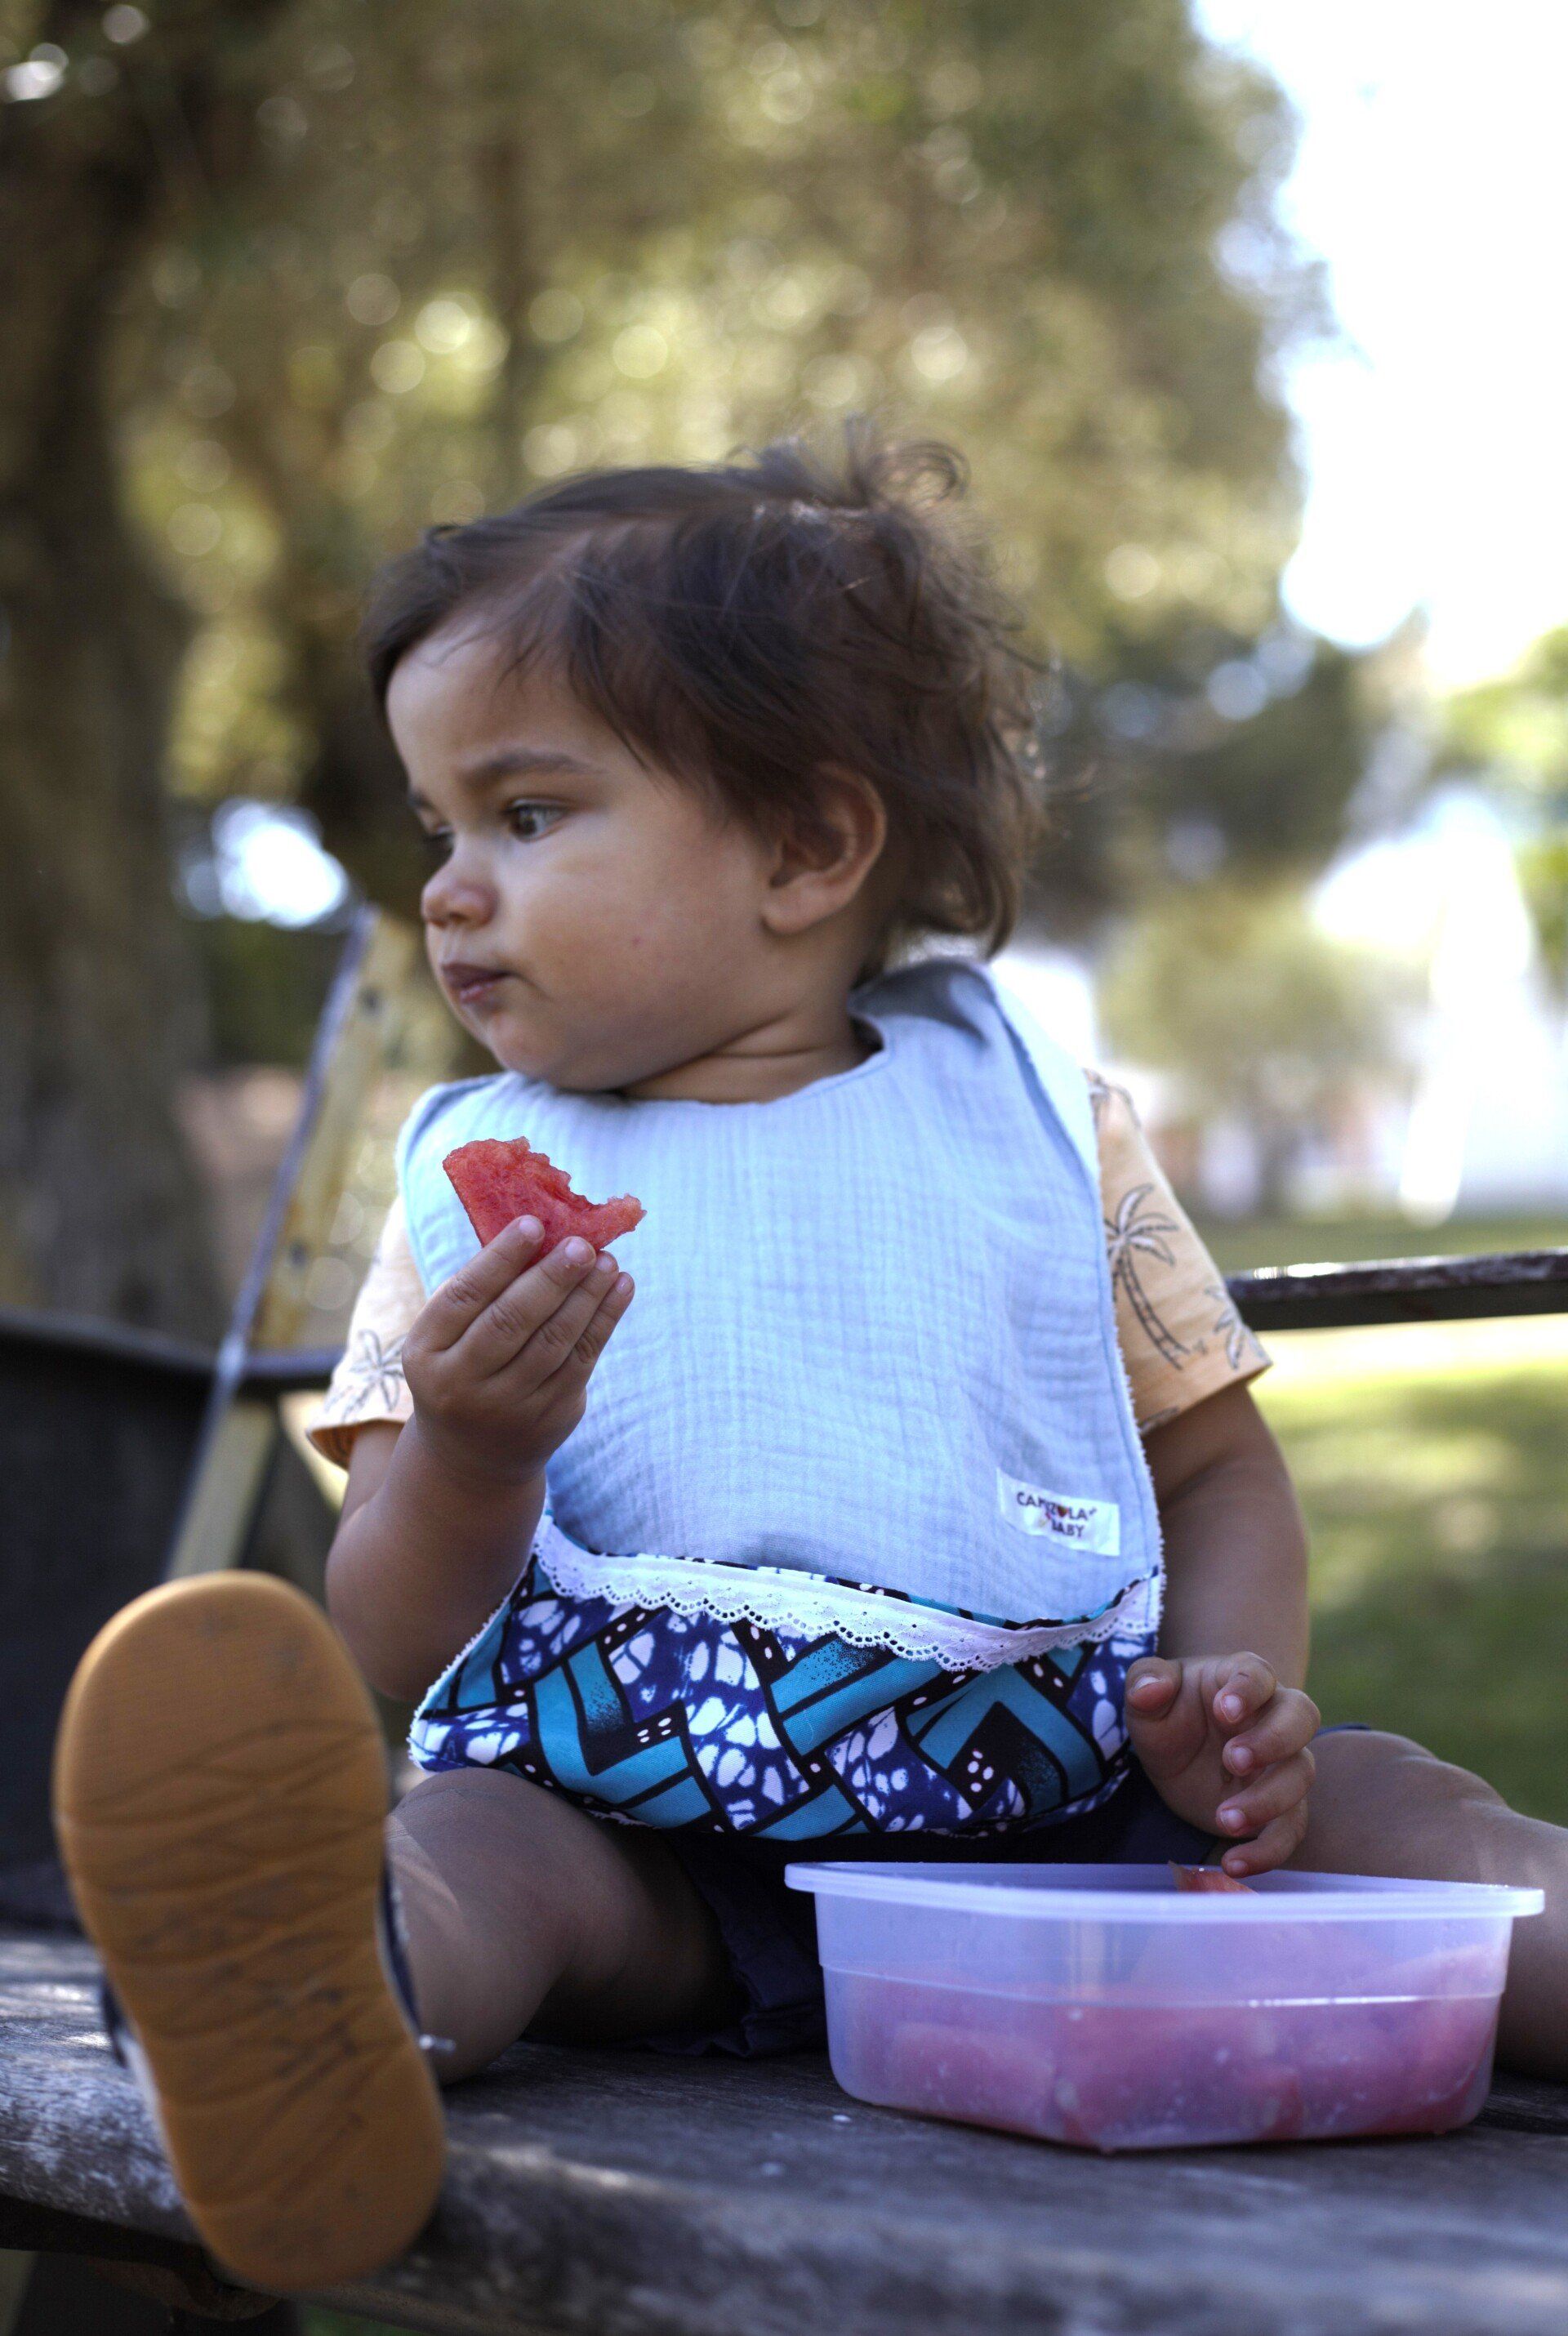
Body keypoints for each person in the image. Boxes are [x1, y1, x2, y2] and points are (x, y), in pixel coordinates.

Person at [53, 429, 1568, 2295]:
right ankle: (306, 2013)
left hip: (1069, 1822)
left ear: (806, 845)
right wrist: (467, 1448)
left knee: (1409, 1812)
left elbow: (1215, 1469)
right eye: (438, 826)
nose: (446, 887)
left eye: (524, 816)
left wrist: (1235, 1691)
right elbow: (385, 1635)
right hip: (642, 1843)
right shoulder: (475, 1189)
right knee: (469, 1855)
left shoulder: (1031, 1130)